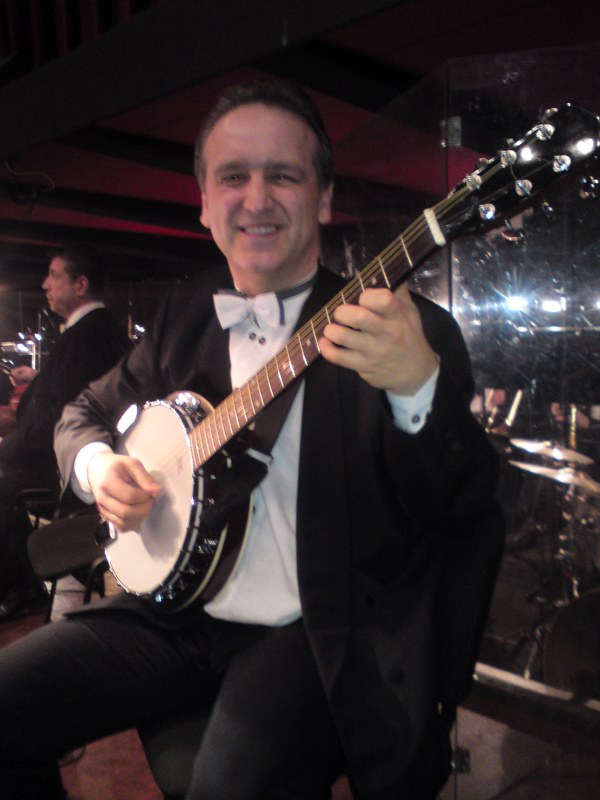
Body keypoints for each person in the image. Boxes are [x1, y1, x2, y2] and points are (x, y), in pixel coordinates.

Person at [0, 81, 500, 799]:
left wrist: (417, 388)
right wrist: (97, 465)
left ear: (323, 199)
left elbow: (464, 504)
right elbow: (83, 410)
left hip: (314, 629)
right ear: (205, 204)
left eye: (283, 175)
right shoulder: (186, 312)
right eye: (233, 176)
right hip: (175, 612)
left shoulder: (403, 329)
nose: (256, 199)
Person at [0, 243, 130, 621]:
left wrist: (7, 445)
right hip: (64, 461)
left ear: (80, 285)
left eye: (54, 275)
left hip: (65, 471)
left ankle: (23, 589)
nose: (45, 284)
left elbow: (62, 420)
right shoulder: (93, 332)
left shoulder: (87, 337)